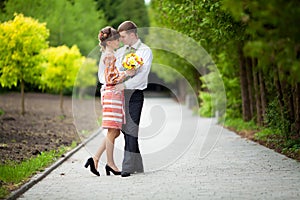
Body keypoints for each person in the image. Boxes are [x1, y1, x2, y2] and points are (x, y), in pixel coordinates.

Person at [85, 26, 135, 176]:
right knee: (113, 130)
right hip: (112, 94)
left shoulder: (109, 54)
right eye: (117, 39)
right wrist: (127, 73)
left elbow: (111, 75)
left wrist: (125, 71)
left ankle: (95, 159)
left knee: (114, 131)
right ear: (110, 42)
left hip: (112, 94)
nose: (119, 41)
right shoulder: (109, 56)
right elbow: (110, 79)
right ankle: (110, 163)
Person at [114, 21, 153, 177]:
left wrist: (125, 84)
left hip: (135, 94)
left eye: (123, 36)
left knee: (131, 129)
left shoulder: (145, 51)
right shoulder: (121, 51)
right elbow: (116, 70)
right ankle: (138, 164)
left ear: (132, 34)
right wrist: (122, 75)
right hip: (119, 94)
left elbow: (142, 76)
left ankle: (127, 166)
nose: (121, 39)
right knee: (125, 129)